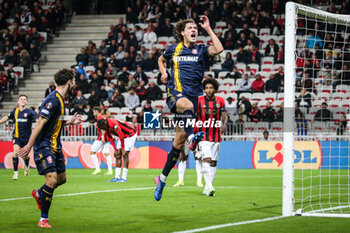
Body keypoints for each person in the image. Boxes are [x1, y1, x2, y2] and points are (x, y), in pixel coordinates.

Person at [154, 16, 223, 201]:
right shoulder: (173, 49)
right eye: (190, 28)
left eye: (196, 28)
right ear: (182, 32)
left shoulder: (200, 50)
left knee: (178, 144)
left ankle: (161, 179)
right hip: (175, 93)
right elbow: (160, 60)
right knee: (189, 106)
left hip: (191, 99)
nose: (194, 30)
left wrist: (208, 28)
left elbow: (219, 49)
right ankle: (193, 137)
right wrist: (163, 74)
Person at [18, 69, 82, 228]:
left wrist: (69, 123)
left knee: (61, 179)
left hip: (56, 145)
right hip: (44, 145)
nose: (74, 84)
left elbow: (54, 123)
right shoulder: (52, 99)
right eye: (73, 81)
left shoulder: (61, 100)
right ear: (69, 82)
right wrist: (29, 145)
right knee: (52, 179)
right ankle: (43, 219)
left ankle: (39, 193)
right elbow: (40, 123)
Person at [194, 78, 227, 196]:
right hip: (203, 135)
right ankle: (210, 186)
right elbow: (194, 116)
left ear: (215, 89)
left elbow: (224, 115)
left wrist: (224, 125)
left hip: (216, 136)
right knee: (206, 159)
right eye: (207, 88)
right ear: (204, 89)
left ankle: (207, 188)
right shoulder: (198, 101)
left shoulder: (220, 100)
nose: (208, 90)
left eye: (211, 88)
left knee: (213, 162)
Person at [0, 95, 38, 180]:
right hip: (17, 137)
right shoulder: (15, 111)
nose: (23, 100)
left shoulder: (30, 112)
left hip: (27, 138)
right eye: (21, 99)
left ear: (26, 102)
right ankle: (15, 173)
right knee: (15, 152)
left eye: (24, 99)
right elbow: (6, 118)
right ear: (18, 101)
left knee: (25, 156)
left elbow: (37, 120)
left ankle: (27, 164)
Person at [97, 118, 137, 183]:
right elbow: (110, 137)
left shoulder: (112, 123)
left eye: (103, 128)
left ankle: (124, 178)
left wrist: (123, 148)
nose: (103, 130)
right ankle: (117, 177)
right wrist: (115, 149)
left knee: (125, 154)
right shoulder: (106, 126)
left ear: (104, 124)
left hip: (130, 134)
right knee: (117, 155)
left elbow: (120, 134)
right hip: (122, 136)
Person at [90, 107, 114, 175]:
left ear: (97, 111)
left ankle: (97, 169)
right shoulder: (101, 117)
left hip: (101, 138)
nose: (93, 113)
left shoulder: (100, 118)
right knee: (107, 153)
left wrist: (102, 137)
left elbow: (104, 128)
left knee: (92, 152)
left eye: (94, 112)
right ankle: (110, 171)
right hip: (105, 138)